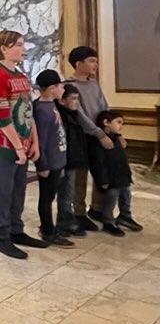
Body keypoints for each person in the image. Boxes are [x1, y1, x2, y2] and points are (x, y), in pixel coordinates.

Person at [0, 30, 44, 259]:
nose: (23, 49)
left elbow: (28, 111)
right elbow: (1, 117)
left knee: (18, 190)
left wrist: (34, 142)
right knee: (2, 191)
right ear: (4, 48)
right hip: (3, 145)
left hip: (22, 143)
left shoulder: (21, 76)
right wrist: (17, 146)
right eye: (18, 44)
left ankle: (16, 230)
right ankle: (1, 236)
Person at [67, 45, 114, 229]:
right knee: (80, 175)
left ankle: (97, 208)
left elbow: (104, 106)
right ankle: (79, 212)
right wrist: (97, 132)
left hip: (100, 133)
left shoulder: (94, 83)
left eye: (96, 61)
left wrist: (109, 125)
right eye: (92, 61)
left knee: (101, 171)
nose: (96, 64)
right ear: (79, 64)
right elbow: (79, 115)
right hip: (82, 136)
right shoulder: (70, 86)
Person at [32, 70, 74, 248]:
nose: (63, 89)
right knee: (47, 197)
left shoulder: (51, 105)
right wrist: (42, 164)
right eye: (60, 86)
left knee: (51, 195)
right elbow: (40, 140)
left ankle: (50, 227)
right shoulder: (42, 110)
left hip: (58, 159)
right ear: (52, 88)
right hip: (49, 162)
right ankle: (48, 230)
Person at [90, 110, 144, 235]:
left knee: (126, 196)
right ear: (106, 122)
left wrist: (128, 174)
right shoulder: (98, 141)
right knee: (111, 199)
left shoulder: (116, 138)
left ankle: (125, 216)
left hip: (122, 176)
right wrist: (102, 180)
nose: (121, 126)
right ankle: (108, 221)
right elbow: (98, 163)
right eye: (118, 122)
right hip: (110, 178)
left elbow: (122, 159)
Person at [55, 84, 89, 238]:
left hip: (72, 159)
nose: (77, 102)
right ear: (62, 101)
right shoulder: (61, 117)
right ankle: (64, 221)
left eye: (77, 99)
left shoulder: (73, 115)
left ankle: (68, 219)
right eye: (73, 98)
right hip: (65, 160)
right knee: (65, 192)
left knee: (69, 191)